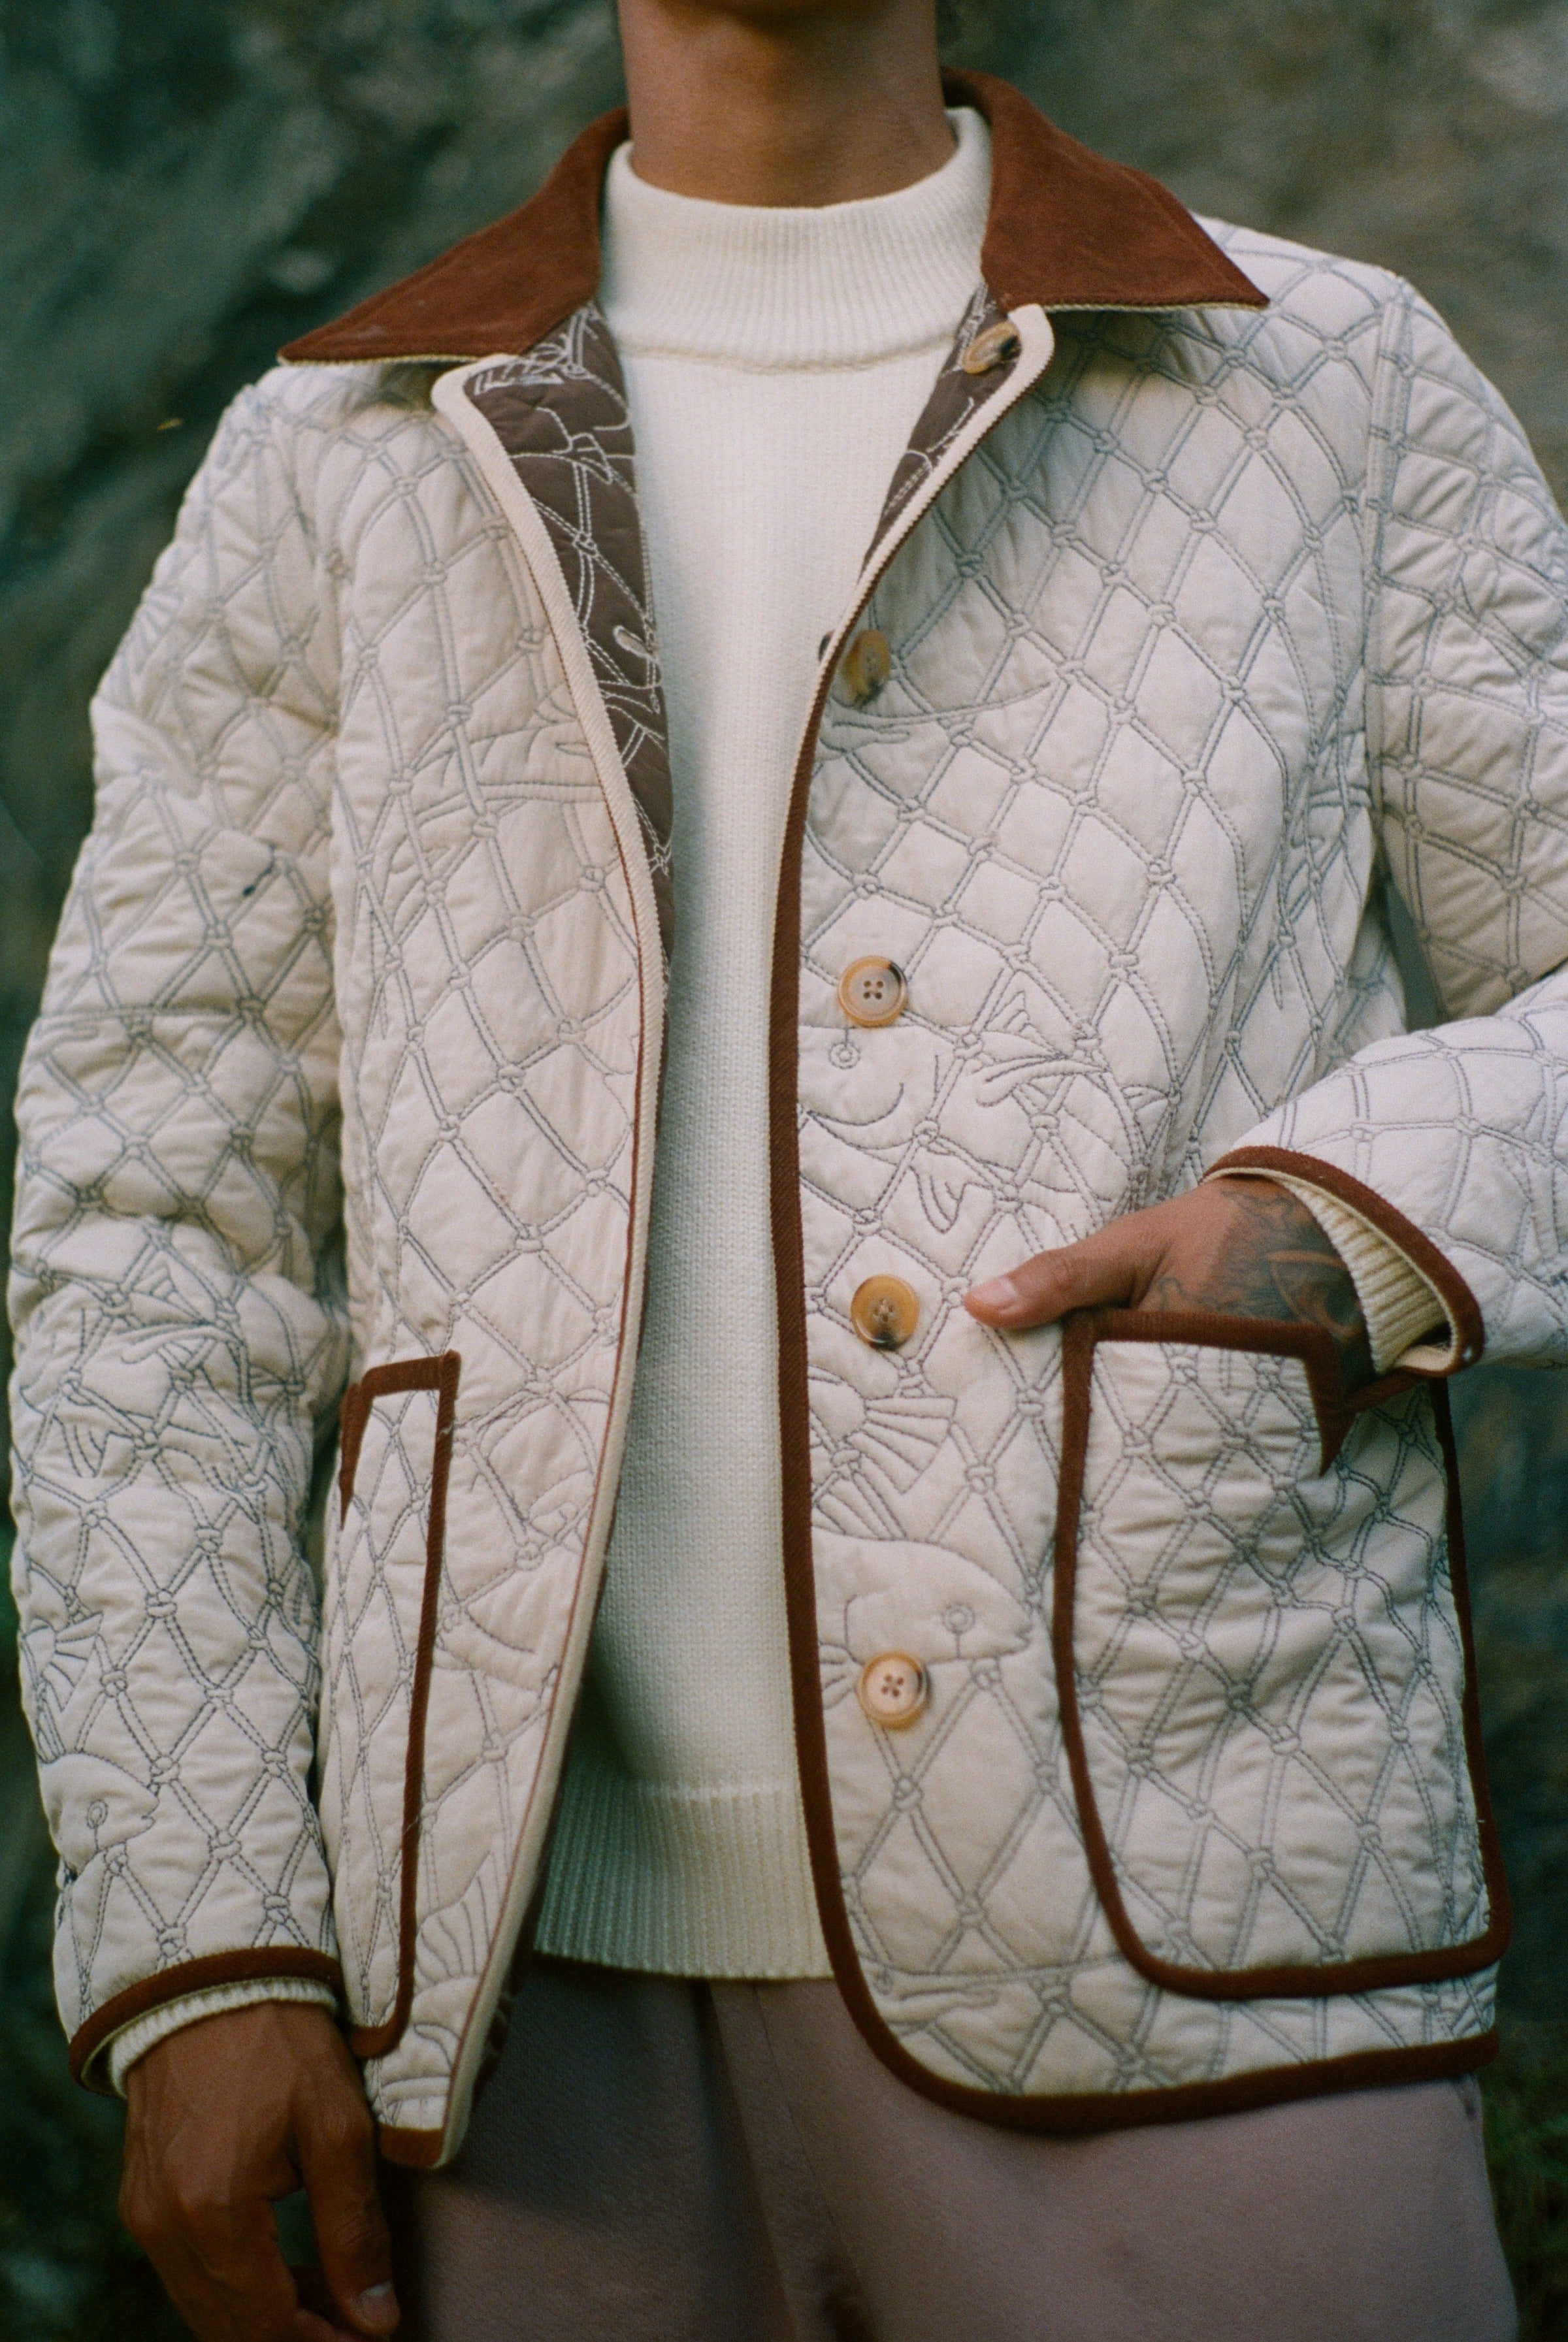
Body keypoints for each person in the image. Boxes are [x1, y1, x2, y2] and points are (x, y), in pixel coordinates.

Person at [10, 0, 1562, 2332]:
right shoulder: (331, 454)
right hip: (503, 2030)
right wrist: (203, 1940)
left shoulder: (1328, 383)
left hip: (1195, 1944)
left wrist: (1344, 1223)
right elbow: (149, 1211)